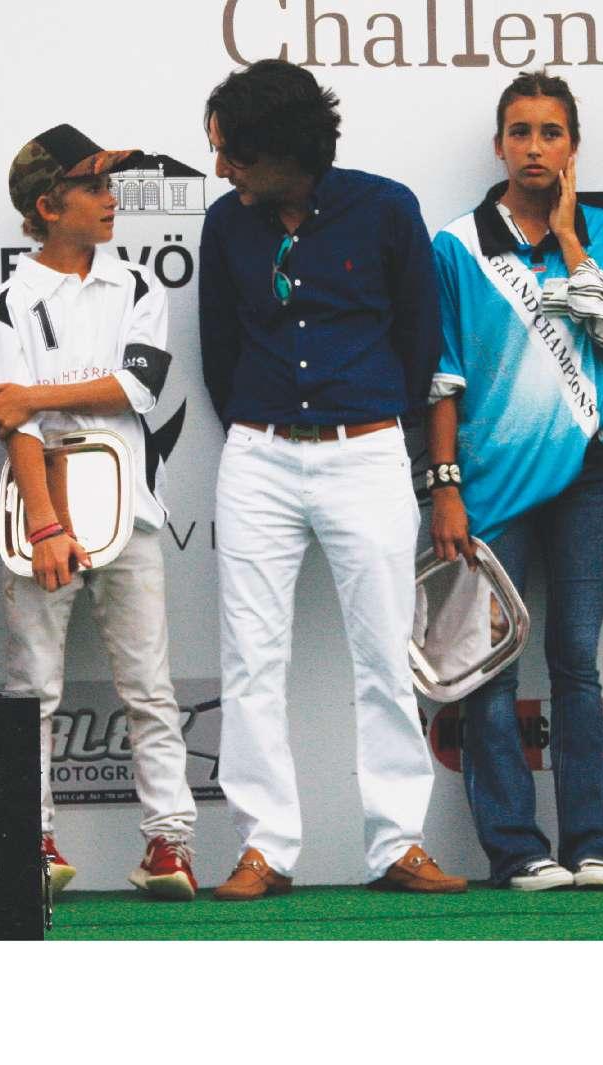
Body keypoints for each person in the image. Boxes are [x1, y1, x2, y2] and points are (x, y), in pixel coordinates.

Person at [198, 58, 464, 898]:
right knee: (250, 658)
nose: (221, 168)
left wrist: (372, 416)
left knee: (385, 653)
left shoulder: (385, 208)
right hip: (259, 456)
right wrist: (262, 423)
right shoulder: (225, 224)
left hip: (367, 450)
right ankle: (264, 848)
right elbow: (218, 350)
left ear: (283, 149)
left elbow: (420, 341)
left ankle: (398, 844)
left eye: (233, 153)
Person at [426, 71, 603, 891]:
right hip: (489, 483)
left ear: (573, 147)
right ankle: (517, 849)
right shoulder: (456, 245)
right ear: (498, 145)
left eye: (552, 133)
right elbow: (441, 378)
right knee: (492, 665)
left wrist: (570, 239)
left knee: (576, 657)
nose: (535, 147)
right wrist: (445, 487)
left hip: (587, 475)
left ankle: (594, 844)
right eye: (520, 132)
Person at [0, 123, 199, 901]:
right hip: (39, 504)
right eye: (94, 187)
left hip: (127, 504)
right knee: (34, 686)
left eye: (110, 185)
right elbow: (12, 423)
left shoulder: (137, 285)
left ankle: (169, 843)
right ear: (48, 205)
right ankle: (34, 839)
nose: (112, 200)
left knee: (149, 684)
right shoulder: (6, 297)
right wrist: (46, 524)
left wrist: (37, 395)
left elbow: (135, 388)